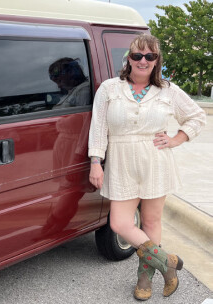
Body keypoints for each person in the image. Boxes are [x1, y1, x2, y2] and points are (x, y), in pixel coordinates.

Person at [88, 34, 206, 301]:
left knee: (151, 221)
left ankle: (144, 278)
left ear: (156, 61)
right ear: (128, 58)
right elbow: (98, 129)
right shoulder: (109, 88)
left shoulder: (167, 90)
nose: (143, 60)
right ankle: (168, 262)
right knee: (120, 222)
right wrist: (96, 161)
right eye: (137, 55)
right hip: (120, 162)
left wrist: (176, 138)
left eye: (150, 56)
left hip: (156, 161)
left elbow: (197, 116)